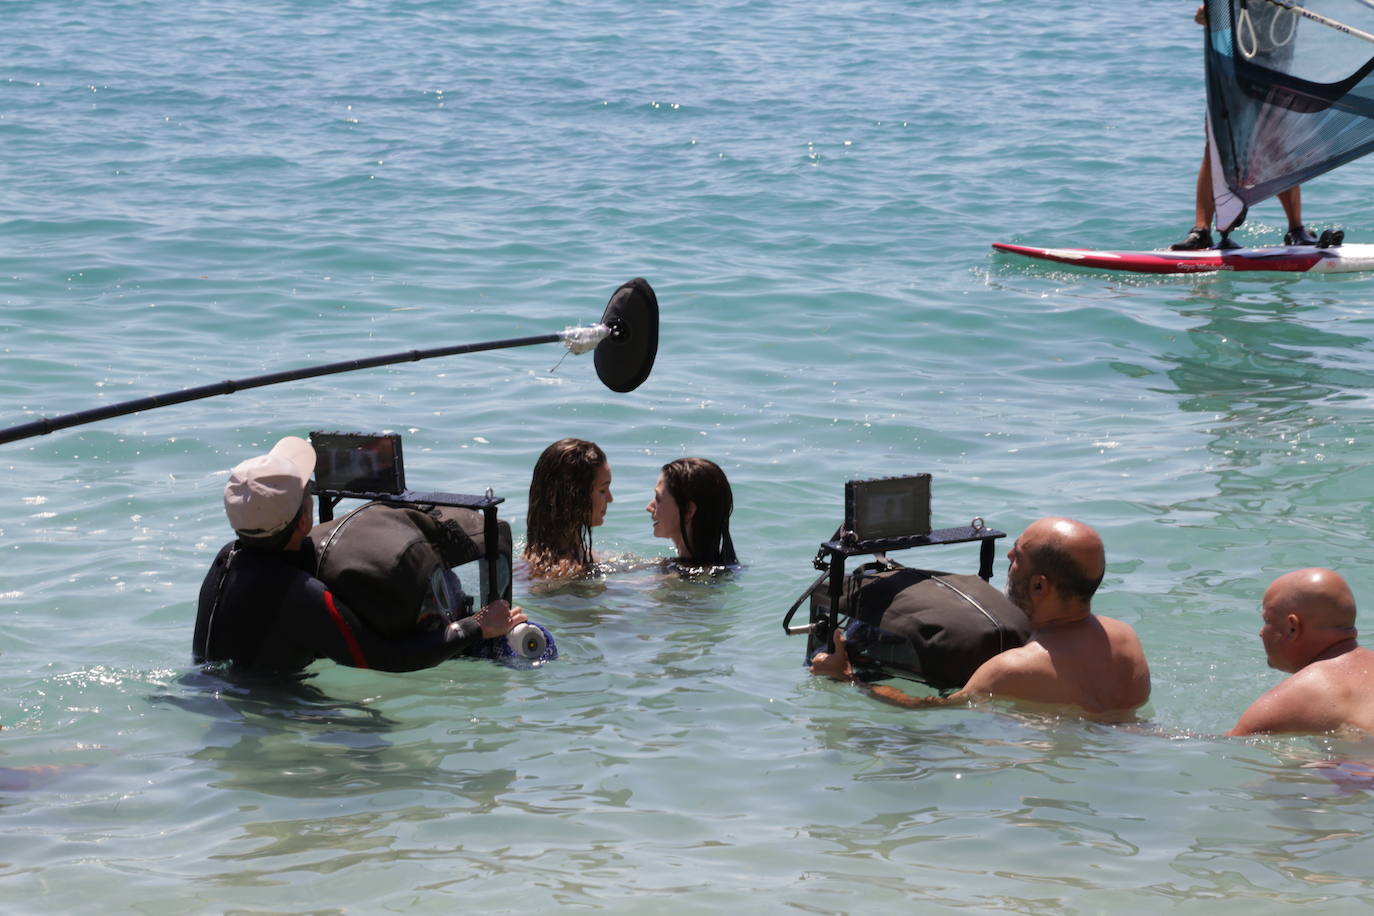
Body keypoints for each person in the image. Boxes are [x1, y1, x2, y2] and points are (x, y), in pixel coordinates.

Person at [194, 436, 526, 674]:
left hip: (210, 689)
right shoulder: (303, 595)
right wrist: (478, 625)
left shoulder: (226, 559)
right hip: (270, 709)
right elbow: (387, 658)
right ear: (306, 521)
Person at [811, 517, 1151, 718]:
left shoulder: (1012, 669)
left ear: (1038, 585)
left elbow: (927, 709)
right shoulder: (1124, 638)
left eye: (1017, 554)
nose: (1007, 555)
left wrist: (848, 678)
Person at [1171, 3, 1316, 251]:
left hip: (1276, 64)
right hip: (1233, 63)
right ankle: (1201, 231)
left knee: (1276, 143)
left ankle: (1295, 229)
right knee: (1216, 143)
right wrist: (1209, 15)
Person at [1228, 568, 1374, 736]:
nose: (1261, 632)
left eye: (1267, 621)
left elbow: (1227, 748)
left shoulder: (1296, 695)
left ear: (1292, 628)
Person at [523, 438, 613, 577]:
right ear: (575, 497)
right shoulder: (563, 570)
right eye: (602, 490)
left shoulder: (536, 554)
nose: (610, 498)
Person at [645, 457, 738, 568]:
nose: (649, 507)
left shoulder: (679, 579)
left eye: (658, 498)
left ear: (688, 511)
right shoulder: (721, 567)